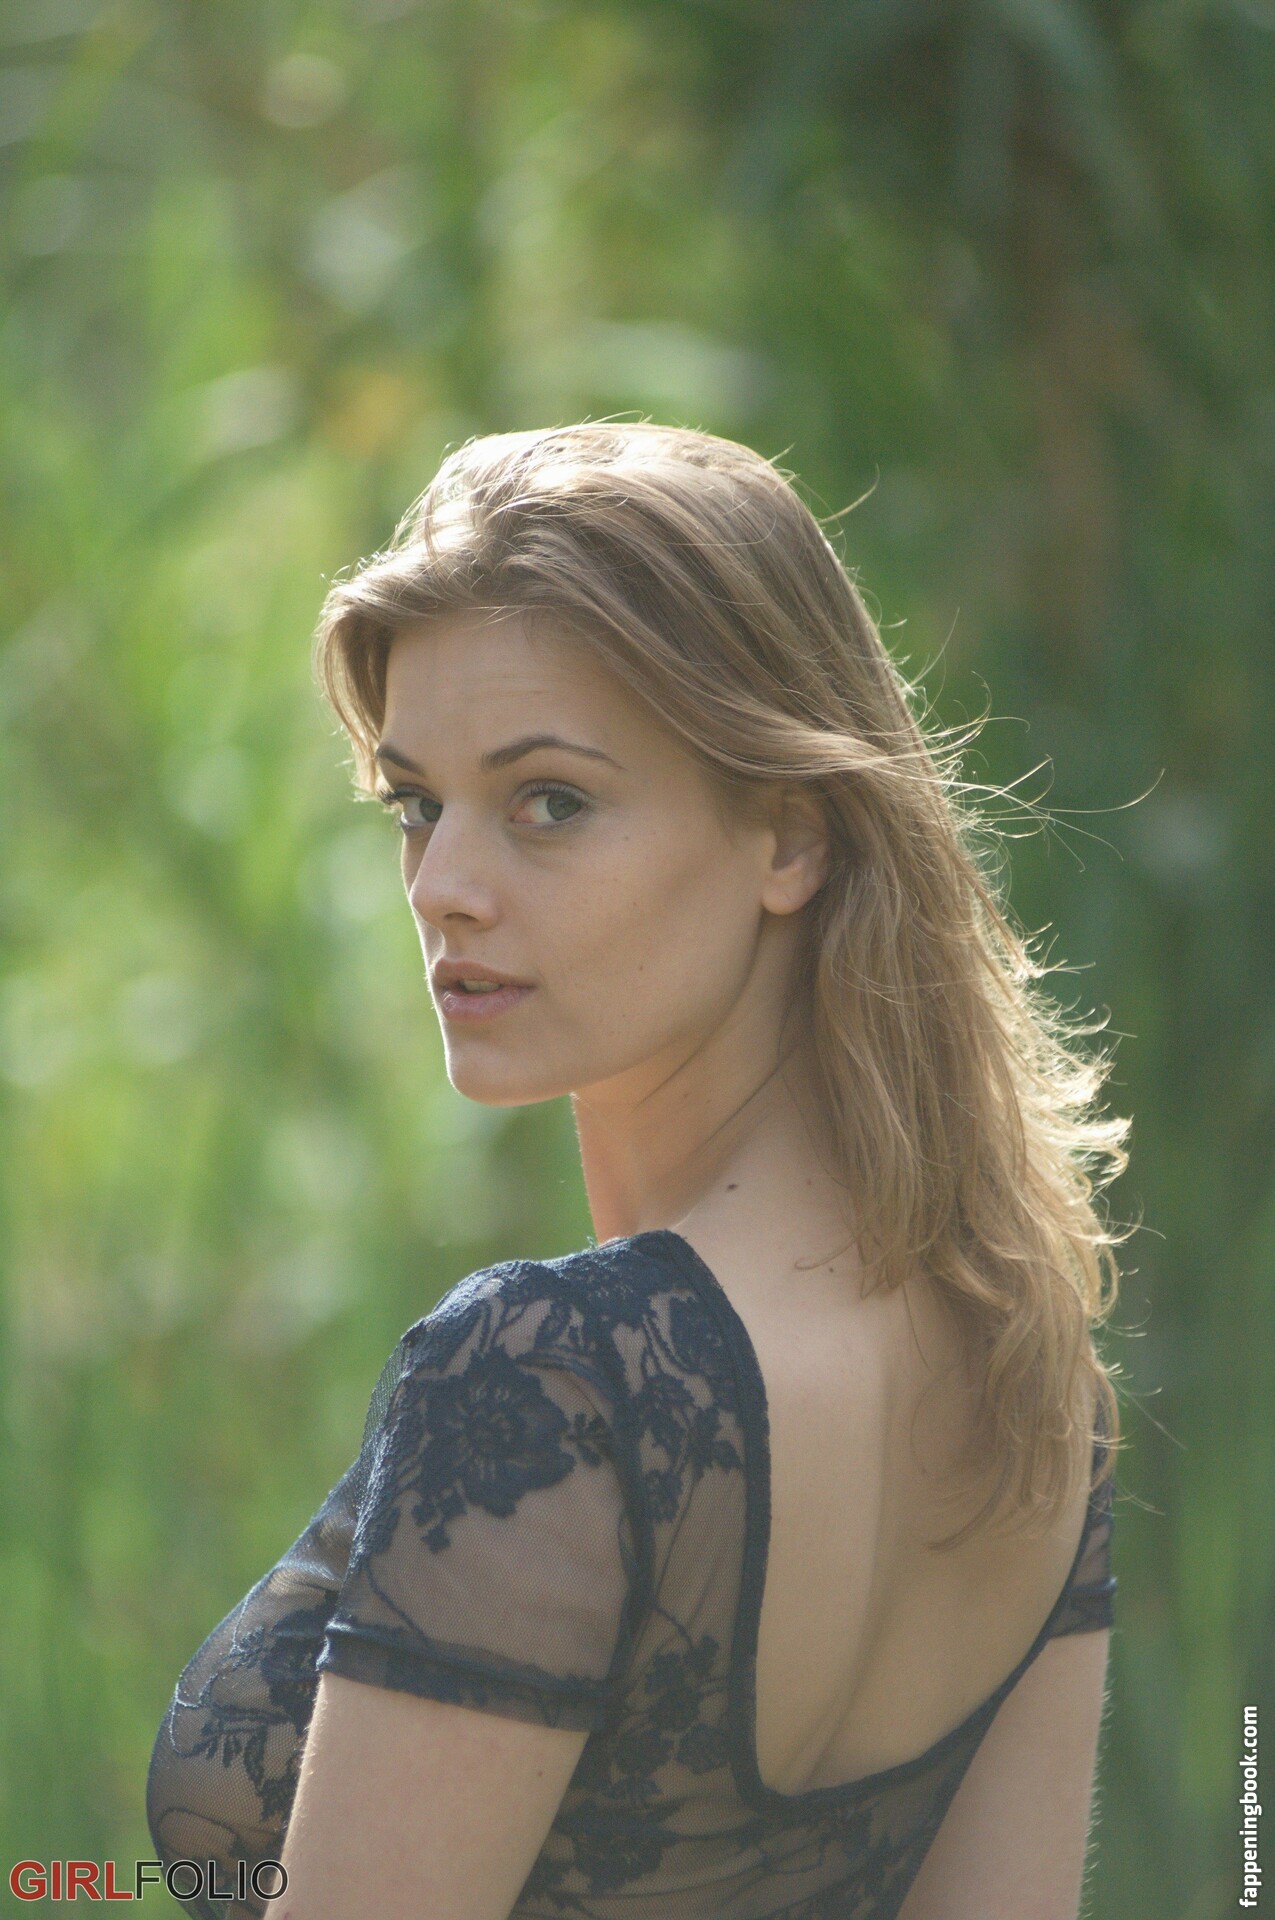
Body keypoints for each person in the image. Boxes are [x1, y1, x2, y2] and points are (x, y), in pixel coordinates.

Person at [146, 422, 1128, 1920]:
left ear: (789, 837)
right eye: (416, 804)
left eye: (550, 801)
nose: (442, 887)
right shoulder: (1026, 1373)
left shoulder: (550, 1377)